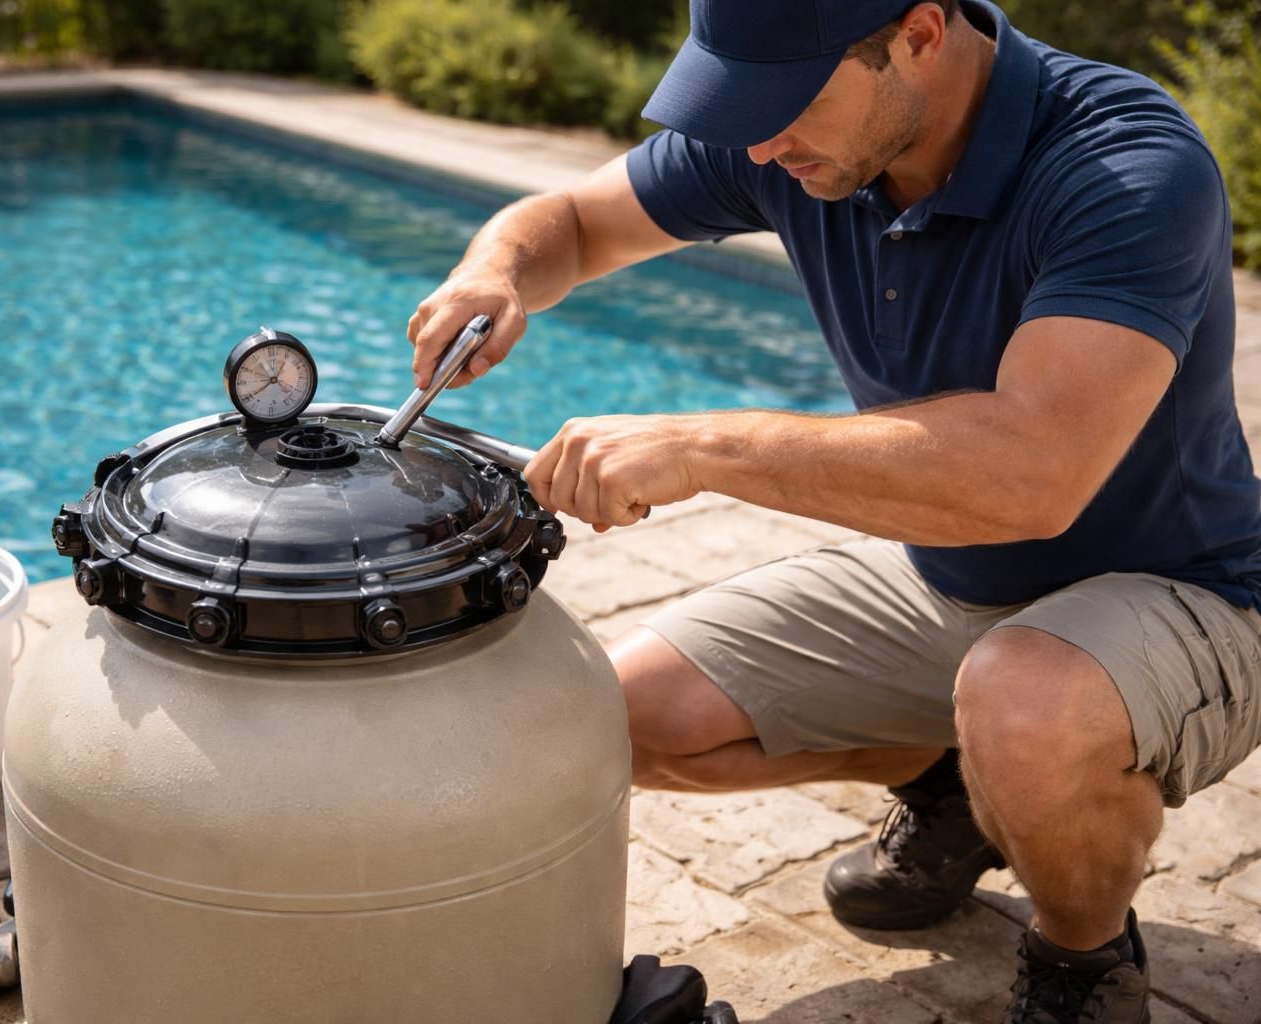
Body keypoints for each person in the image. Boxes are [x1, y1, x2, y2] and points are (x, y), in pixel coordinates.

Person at [405, 0, 1261, 1021]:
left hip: (1178, 588)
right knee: (608, 716)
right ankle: (966, 790)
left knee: (1024, 705)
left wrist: (703, 445)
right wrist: (493, 270)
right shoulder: (794, 136)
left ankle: (1084, 954)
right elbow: (577, 223)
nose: (759, 141)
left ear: (920, 35)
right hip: (950, 576)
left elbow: (1035, 472)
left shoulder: (1126, 165)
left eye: (785, 104)